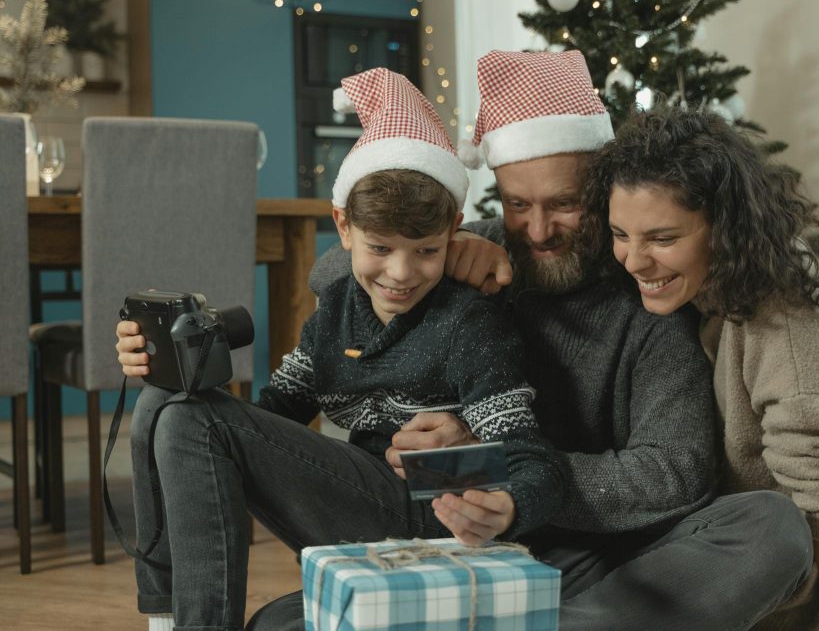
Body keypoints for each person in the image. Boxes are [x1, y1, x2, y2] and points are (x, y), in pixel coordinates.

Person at [246, 51, 814, 631]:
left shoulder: (649, 293)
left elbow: (675, 472)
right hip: (457, 546)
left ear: (603, 193)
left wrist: (489, 466)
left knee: (772, 526)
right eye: (519, 205)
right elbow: (334, 272)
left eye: (565, 204)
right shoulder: (472, 255)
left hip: (598, 560)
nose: (539, 231)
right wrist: (458, 244)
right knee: (278, 624)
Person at [115, 68, 564, 631]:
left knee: (187, 421)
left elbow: (535, 462)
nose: (402, 274)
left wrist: (506, 505)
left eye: (427, 251)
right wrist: (167, 365)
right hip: (358, 503)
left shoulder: (469, 324)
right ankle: (166, 617)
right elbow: (266, 423)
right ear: (343, 225)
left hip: (431, 517)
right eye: (381, 247)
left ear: (454, 229)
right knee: (165, 404)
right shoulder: (335, 313)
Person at [582, 104, 819, 630]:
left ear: (724, 229)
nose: (634, 261)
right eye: (620, 234)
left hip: (757, 582)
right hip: (686, 546)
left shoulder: (788, 330)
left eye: (661, 238)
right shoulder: (705, 284)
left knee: (772, 525)